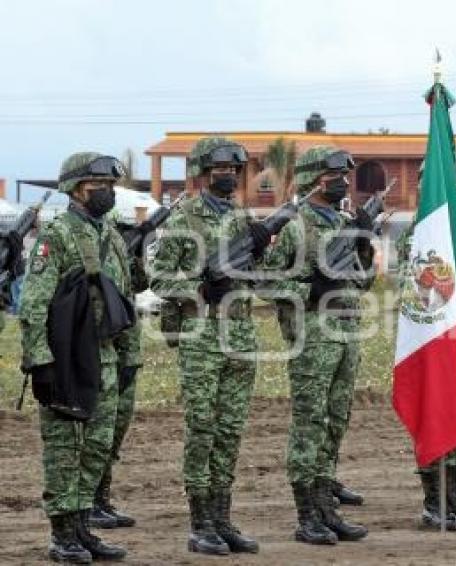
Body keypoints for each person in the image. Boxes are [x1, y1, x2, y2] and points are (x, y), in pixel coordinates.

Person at [20, 152, 139, 562]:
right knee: (65, 449)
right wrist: (41, 362)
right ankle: (62, 534)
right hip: (68, 359)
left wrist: (129, 358)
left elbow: (124, 300)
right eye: (97, 185)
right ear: (75, 188)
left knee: (97, 449)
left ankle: (84, 527)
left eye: (110, 185)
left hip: (106, 358)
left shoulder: (112, 235)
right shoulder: (58, 235)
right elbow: (34, 305)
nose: (107, 192)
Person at [150, 137, 259, 555]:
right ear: (202, 173)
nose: (228, 175)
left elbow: (253, 274)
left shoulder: (238, 215)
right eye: (220, 170)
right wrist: (198, 286)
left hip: (240, 333)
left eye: (234, 169)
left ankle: (222, 519)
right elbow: (159, 276)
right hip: (201, 337)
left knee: (230, 430)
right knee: (203, 428)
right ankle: (200, 525)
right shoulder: (183, 219)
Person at [264, 145, 371, 545]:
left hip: (346, 334)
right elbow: (266, 282)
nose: (343, 180)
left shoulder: (343, 222)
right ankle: (307, 514)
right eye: (334, 174)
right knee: (310, 425)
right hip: (312, 338)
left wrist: (363, 244)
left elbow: (362, 282)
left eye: (345, 173)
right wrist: (310, 289)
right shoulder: (293, 225)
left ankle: (327, 507)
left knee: (335, 422)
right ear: (313, 179)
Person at [395, 156, 456, 530]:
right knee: (436, 412)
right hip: (438, 339)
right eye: (455, 185)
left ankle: (452, 497)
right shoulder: (420, 236)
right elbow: (421, 295)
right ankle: (433, 502)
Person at [88, 213, 149, 530]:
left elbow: (140, 284)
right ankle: (86, 503)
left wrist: (135, 252)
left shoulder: (121, 252)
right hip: (103, 350)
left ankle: (101, 498)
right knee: (98, 431)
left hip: (128, 352)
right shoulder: (93, 245)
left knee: (116, 427)